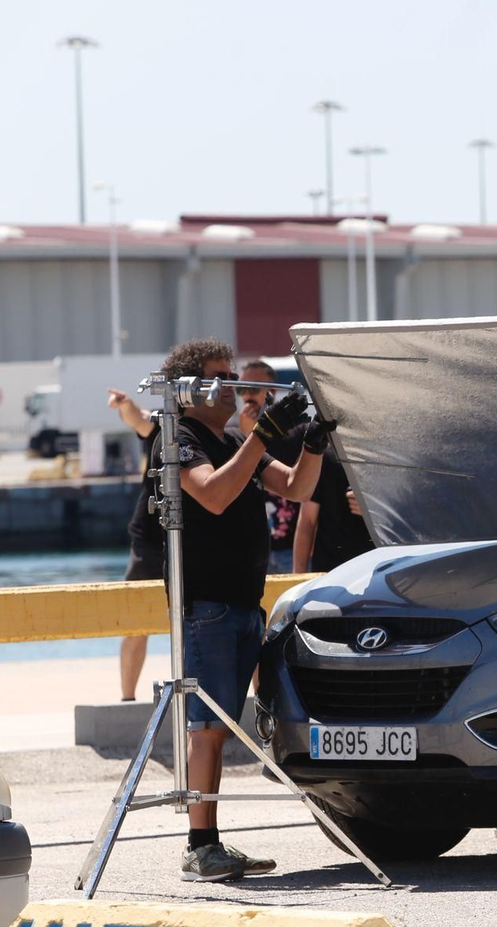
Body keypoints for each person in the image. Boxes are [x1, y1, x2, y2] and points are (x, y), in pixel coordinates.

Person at [153, 339, 324, 882]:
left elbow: (296, 486)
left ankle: (212, 844)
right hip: (206, 606)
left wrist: (314, 442)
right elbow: (213, 495)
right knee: (207, 728)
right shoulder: (177, 440)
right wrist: (260, 437)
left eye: (232, 374)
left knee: (226, 727)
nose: (231, 385)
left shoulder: (231, 438)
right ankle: (200, 845)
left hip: (244, 602)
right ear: (190, 388)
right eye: (218, 376)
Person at [109, 386, 162, 701]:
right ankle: (127, 697)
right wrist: (125, 404)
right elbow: (139, 419)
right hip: (150, 540)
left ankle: (199, 702)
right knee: (135, 622)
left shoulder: (221, 432)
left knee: (196, 625)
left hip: (195, 539)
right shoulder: (167, 424)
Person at [234, 360, 303, 574]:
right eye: (241, 389)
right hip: (251, 549)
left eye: (253, 388)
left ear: (272, 391)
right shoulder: (232, 433)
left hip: (290, 549)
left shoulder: (296, 431)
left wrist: (253, 436)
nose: (247, 396)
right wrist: (247, 436)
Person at [293, 447, 375, 574]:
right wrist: (298, 574)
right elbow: (307, 520)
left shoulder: (391, 458)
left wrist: (375, 509)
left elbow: (410, 512)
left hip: (377, 570)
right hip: (330, 572)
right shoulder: (324, 455)